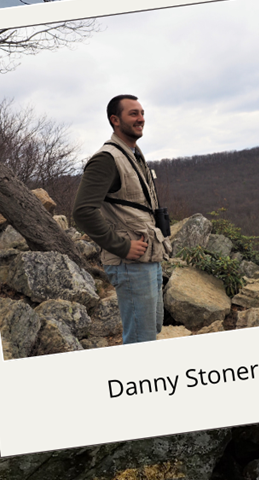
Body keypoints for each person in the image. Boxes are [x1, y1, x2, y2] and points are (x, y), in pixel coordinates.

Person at [73, 94, 171, 344]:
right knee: (141, 337)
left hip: (149, 256)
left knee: (153, 327)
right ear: (115, 120)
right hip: (131, 262)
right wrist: (122, 246)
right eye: (133, 114)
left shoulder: (133, 154)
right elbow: (83, 211)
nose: (141, 119)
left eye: (142, 113)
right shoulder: (106, 159)